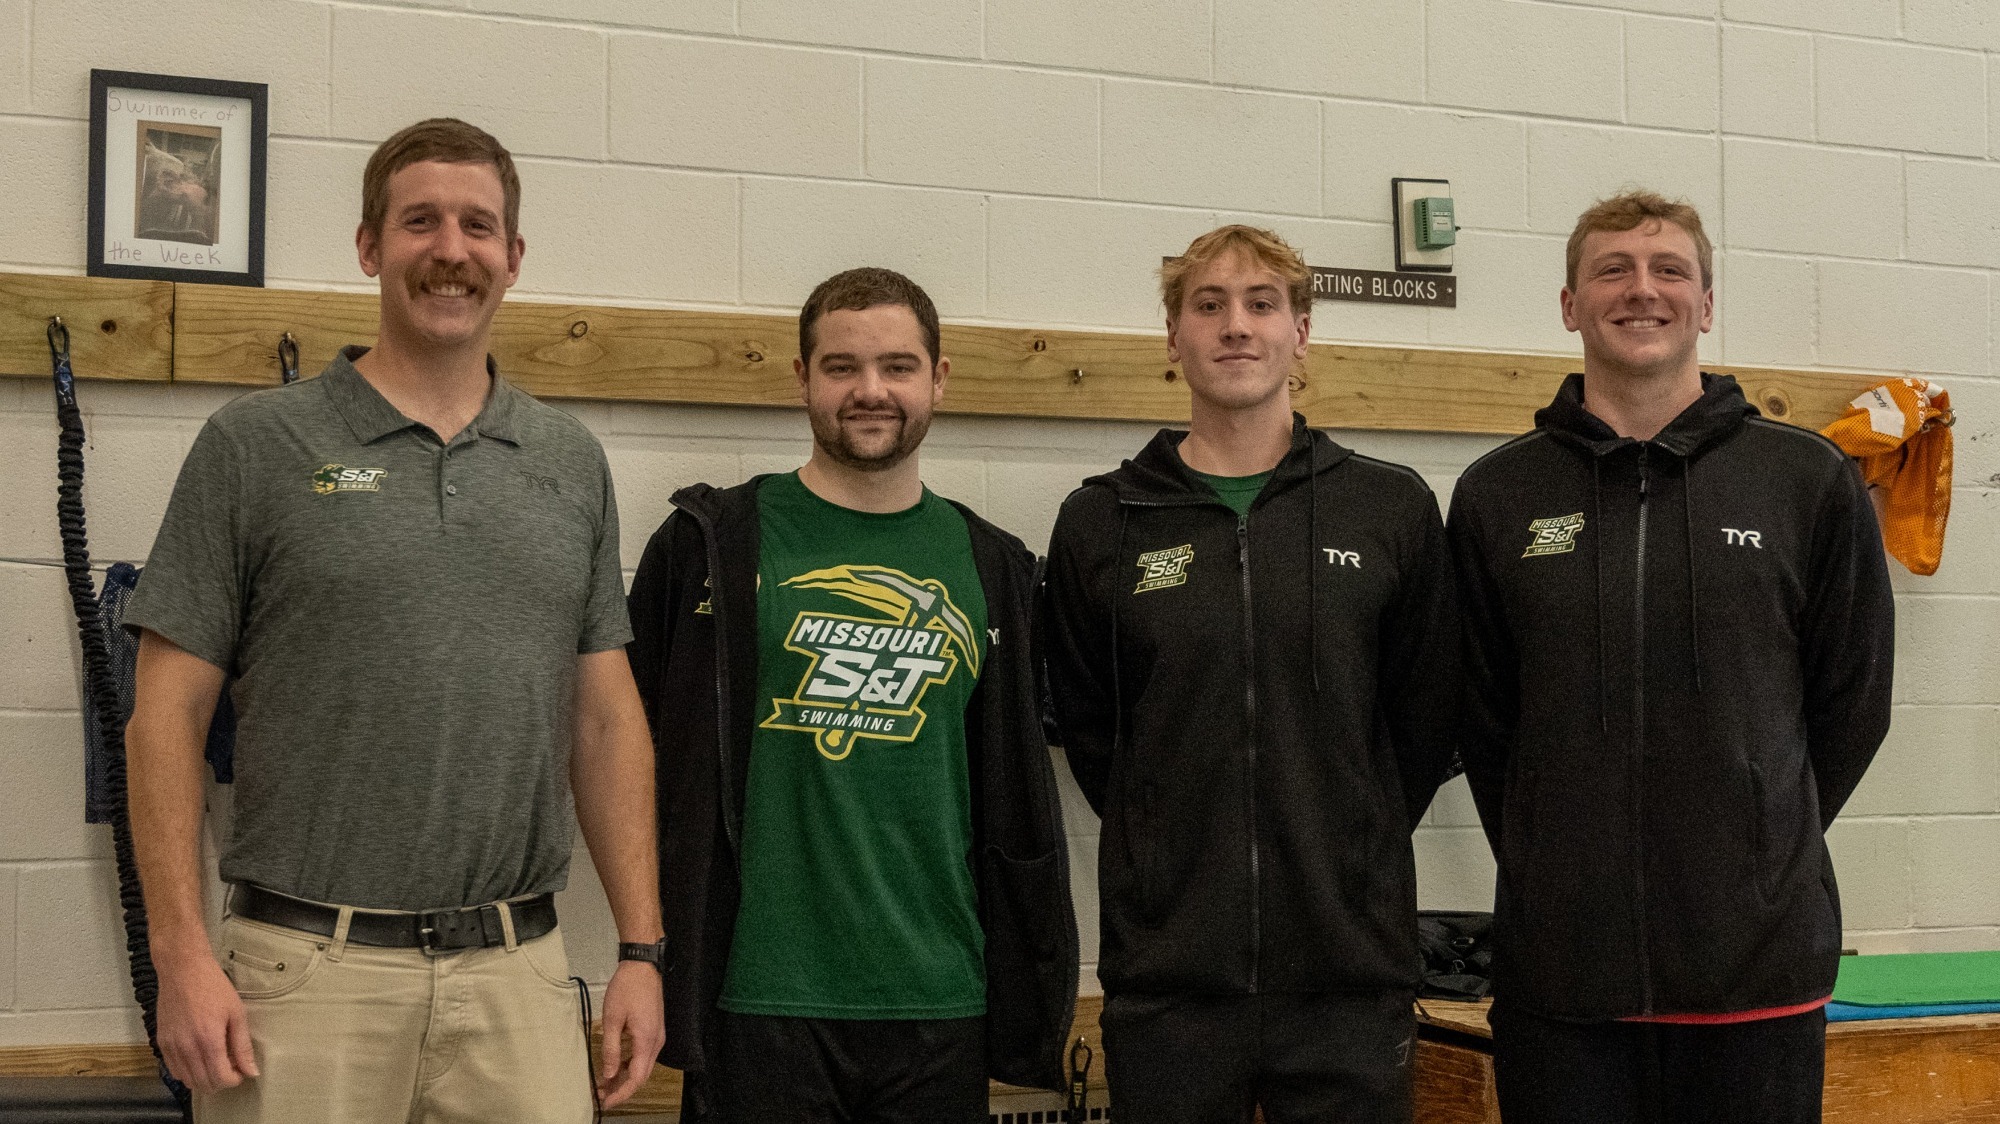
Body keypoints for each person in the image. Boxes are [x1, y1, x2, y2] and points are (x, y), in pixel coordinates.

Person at [124, 118, 666, 1122]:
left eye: (477, 225)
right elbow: (164, 716)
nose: (450, 249)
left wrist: (640, 948)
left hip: (518, 978)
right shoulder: (256, 445)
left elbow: (602, 718)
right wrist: (181, 953)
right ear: (370, 245)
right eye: (420, 221)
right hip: (300, 978)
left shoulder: (568, 462)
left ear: (513, 257)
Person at [1447, 190, 1895, 1123]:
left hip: (1756, 975)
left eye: (1668, 271)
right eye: (1611, 269)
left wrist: (1760, 836)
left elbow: (1853, 701)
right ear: (1570, 304)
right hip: (1565, 981)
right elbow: (1483, 718)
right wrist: (1553, 852)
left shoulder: (1807, 480)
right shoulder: (1498, 494)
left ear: (1706, 300)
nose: (1640, 290)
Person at [625, 267, 1078, 1123]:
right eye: (842, 367)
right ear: (802, 377)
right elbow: (621, 750)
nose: (871, 390)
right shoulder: (709, 543)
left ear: (938, 379)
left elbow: (1019, 789)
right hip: (753, 997)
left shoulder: (996, 568)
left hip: (940, 997)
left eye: (898, 366)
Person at [1040, 225, 1460, 1123]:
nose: (1237, 326)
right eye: (1209, 305)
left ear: (1300, 333)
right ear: (1173, 338)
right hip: (1169, 983)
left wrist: (1351, 834)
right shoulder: (1101, 521)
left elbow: (1423, 722)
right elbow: (1093, 732)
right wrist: (1166, 845)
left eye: (1262, 304)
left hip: (1350, 977)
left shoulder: (1389, 507)